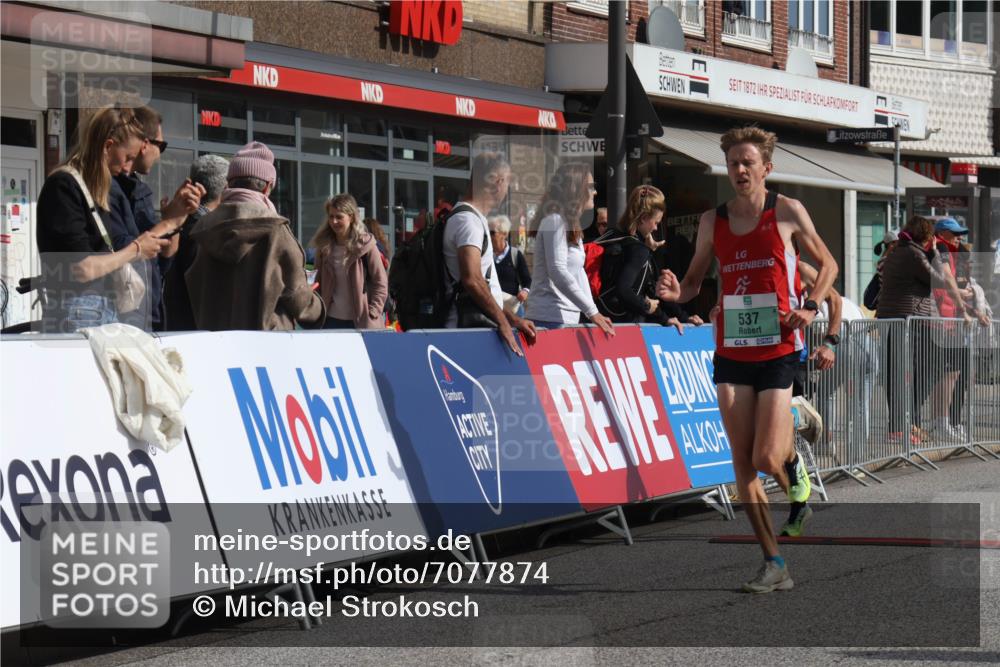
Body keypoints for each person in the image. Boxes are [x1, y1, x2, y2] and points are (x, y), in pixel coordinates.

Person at [656, 126, 838, 593]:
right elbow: (696, 282)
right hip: (731, 350)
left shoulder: (787, 211)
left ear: (766, 169)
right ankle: (774, 562)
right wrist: (681, 293)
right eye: (733, 163)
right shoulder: (711, 221)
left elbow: (830, 267)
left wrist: (812, 306)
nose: (739, 170)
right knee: (743, 469)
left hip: (778, 350)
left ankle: (792, 444)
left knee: (765, 455)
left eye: (747, 163)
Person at [36, 107, 168, 332]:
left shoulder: (93, 188)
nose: (128, 168)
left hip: (99, 310)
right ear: (108, 146)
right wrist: (136, 249)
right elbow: (82, 268)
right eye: (127, 158)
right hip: (79, 311)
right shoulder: (64, 186)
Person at [185, 141, 325, 331]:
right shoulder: (276, 231)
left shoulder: (202, 227)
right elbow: (298, 301)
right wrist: (318, 308)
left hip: (215, 347)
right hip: (265, 349)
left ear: (230, 182)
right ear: (268, 186)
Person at [877, 216, 972, 444]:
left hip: (902, 318)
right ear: (927, 237)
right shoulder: (912, 253)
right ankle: (900, 429)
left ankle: (907, 425)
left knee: (906, 375)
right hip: (905, 319)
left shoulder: (906, 251)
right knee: (902, 376)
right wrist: (936, 254)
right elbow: (938, 281)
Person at [115, 106, 203, 330]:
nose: (160, 154)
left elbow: (162, 259)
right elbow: (125, 252)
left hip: (148, 313)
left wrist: (178, 217)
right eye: (161, 145)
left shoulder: (140, 191)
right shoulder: (108, 190)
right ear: (145, 144)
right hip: (122, 317)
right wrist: (169, 221)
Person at [441, 152, 536, 356]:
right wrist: (503, 323)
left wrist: (512, 319)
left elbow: (484, 289)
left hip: (475, 327)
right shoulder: (468, 221)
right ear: (496, 182)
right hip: (466, 332)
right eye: (507, 182)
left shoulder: (475, 219)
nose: (506, 190)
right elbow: (472, 280)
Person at [523, 163, 614, 335]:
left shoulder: (570, 224)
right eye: (591, 187)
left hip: (566, 317)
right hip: (548, 317)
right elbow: (557, 270)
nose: (595, 192)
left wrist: (593, 311)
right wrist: (592, 311)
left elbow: (579, 273)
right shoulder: (555, 221)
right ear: (576, 189)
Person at [598, 185, 693, 332]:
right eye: (656, 222)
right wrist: (650, 308)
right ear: (643, 218)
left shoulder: (611, 236)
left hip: (596, 321)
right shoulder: (638, 250)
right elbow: (626, 290)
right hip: (623, 329)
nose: (655, 228)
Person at [161, 154, 229, 331]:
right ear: (226, 188)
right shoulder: (207, 234)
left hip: (174, 324)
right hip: (196, 331)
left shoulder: (176, 223)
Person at [311, 194, 388, 330]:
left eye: (339, 217)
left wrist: (373, 312)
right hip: (330, 321)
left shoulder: (366, 246)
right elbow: (318, 283)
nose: (334, 221)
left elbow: (380, 283)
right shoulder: (324, 248)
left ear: (351, 217)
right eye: (331, 216)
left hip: (361, 322)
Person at [489, 215, 532, 314]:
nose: (489, 236)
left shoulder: (515, 254)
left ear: (504, 234)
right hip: (492, 309)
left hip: (512, 308)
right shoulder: (486, 256)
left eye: (492, 233)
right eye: (487, 232)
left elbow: (527, 280)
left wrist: (525, 291)